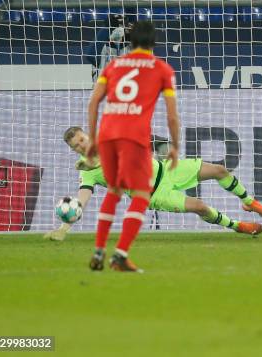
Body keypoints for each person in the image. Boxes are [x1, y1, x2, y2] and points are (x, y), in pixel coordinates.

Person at [43, 127, 262, 241]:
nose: (81, 146)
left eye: (82, 139)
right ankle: (238, 226)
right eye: (76, 146)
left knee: (219, 170)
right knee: (200, 206)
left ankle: (249, 202)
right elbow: (82, 198)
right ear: (73, 150)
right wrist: (65, 227)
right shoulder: (87, 173)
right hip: (153, 195)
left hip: (166, 170)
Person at [85, 21, 177, 272]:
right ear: (153, 42)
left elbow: (93, 103)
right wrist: (176, 146)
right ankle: (120, 255)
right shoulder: (162, 69)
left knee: (114, 190)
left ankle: (99, 250)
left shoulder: (114, 65)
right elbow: (171, 116)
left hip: (106, 135)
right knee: (141, 194)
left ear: (131, 41)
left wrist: (92, 138)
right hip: (134, 137)